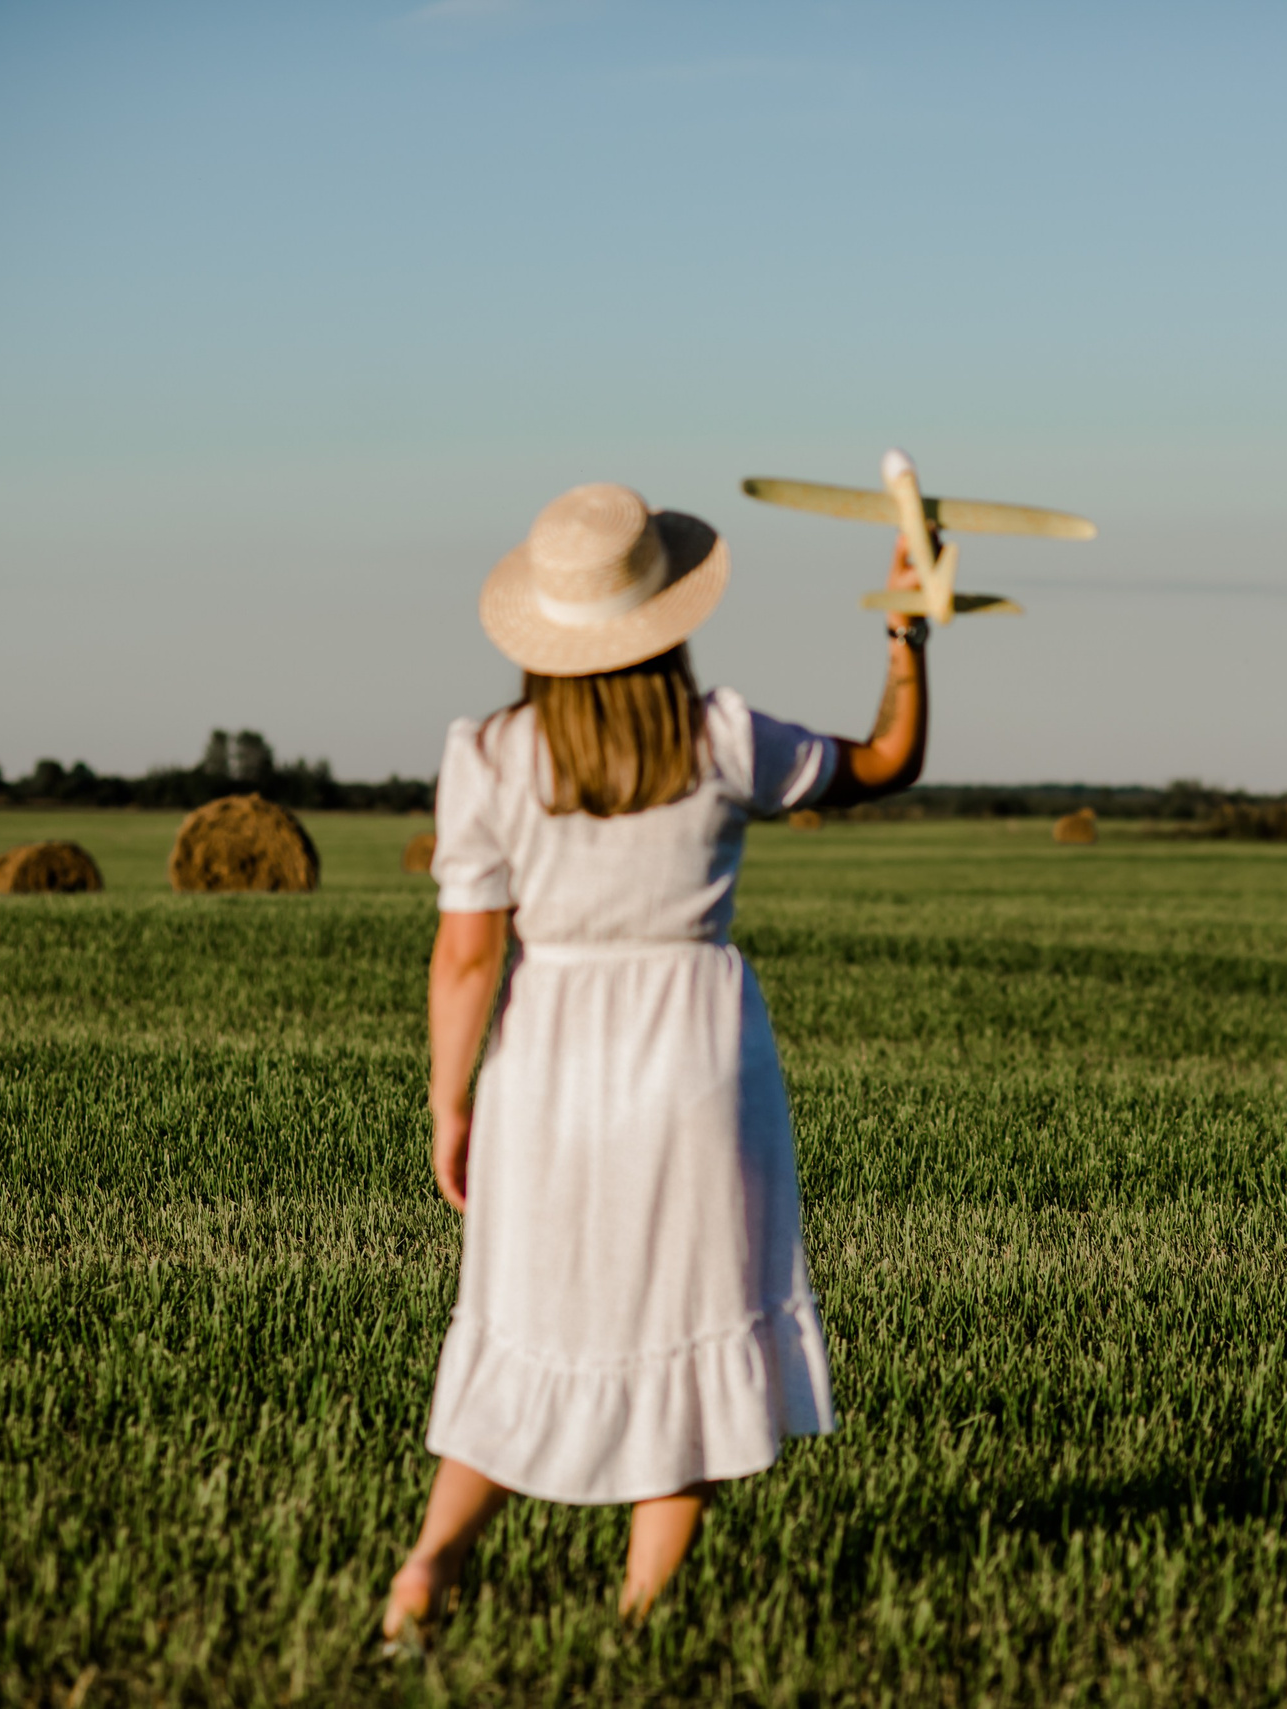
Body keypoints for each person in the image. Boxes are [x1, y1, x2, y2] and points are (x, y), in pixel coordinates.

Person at [382, 482, 932, 1648]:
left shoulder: (483, 754)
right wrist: (906, 630)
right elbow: (886, 761)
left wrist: (448, 1101)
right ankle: (637, 1627)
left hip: (545, 1063)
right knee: (689, 1326)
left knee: (520, 1312)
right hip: (695, 1057)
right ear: (663, 617)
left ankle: (427, 1569)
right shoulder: (722, 735)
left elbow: (466, 954)